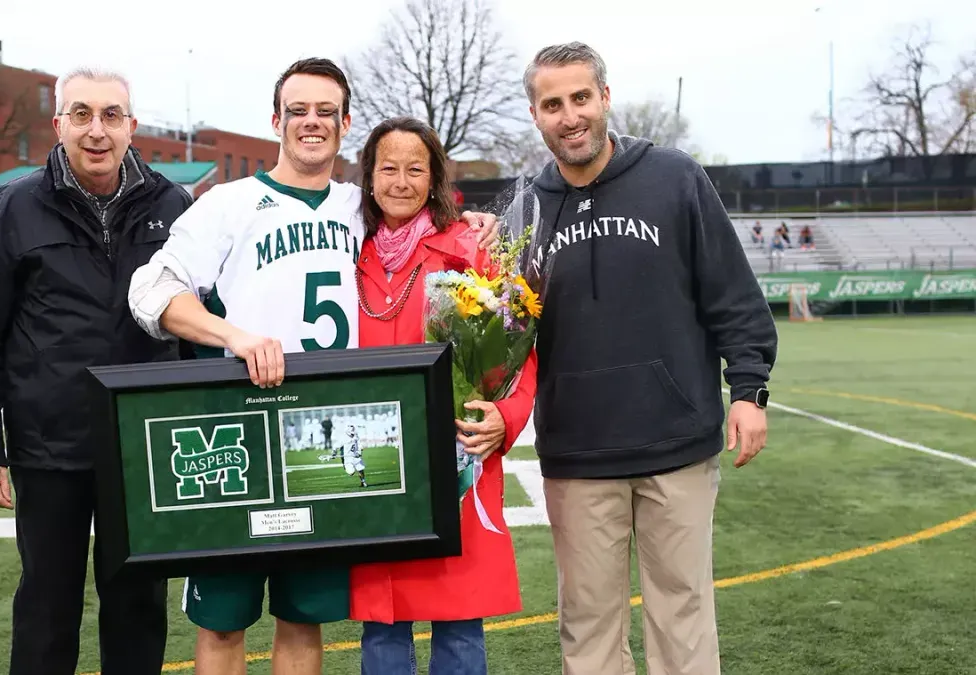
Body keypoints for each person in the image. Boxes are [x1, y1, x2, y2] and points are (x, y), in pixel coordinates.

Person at [128, 57, 497, 675]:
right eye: (298, 110)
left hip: (323, 443)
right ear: (276, 119)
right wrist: (235, 335)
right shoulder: (230, 204)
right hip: (239, 435)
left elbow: (426, 218)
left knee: (304, 616)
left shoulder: (362, 205)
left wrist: (472, 223)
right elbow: (151, 290)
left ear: (345, 123)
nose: (312, 122)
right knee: (224, 621)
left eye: (326, 111)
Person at [521, 42, 777, 675]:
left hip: (678, 442)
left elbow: (734, 295)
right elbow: (505, 334)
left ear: (605, 98)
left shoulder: (675, 177)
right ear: (536, 114)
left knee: (682, 616)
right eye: (552, 104)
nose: (569, 115)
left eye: (581, 97)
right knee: (587, 624)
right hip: (578, 452)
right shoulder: (524, 209)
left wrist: (748, 390)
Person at [0, 66, 194, 675]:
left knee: (139, 608)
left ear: (132, 126)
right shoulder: (13, 209)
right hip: (48, 446)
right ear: (58, 123)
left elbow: (195, 324)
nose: (97, 130)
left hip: (144, 445)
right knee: (46, 609)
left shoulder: (173, 204)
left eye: (111, 115)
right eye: (81, 114)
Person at [347, 116, 538, 675]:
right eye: (388, 168)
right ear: (369, 176)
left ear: (434, 179)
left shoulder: (470, 248)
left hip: (458, 454)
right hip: (374, 459)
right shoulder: (347, 250)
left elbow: (517, 352)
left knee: (458, 620)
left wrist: (504, 415)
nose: (401, 182)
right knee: (382, 623)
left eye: (415, 169)